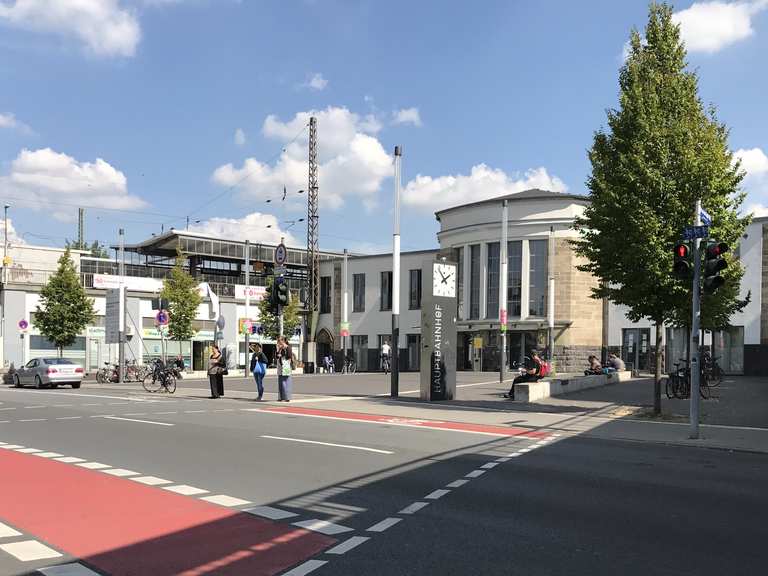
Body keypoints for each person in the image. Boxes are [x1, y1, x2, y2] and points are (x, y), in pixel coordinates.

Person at [275, 336, 295, 402]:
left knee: (285, 382)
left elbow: (289, 356)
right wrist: (278, 350)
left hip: (286, 366)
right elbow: (276, 357)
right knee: (280, 382)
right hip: (280, 366)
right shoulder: (280, 348)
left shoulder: (288, 347)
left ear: (283, 341)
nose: (278, 342)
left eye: (279, 341)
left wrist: (282, 355)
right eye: (278, 341)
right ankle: (281, 397)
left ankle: (287, 397)